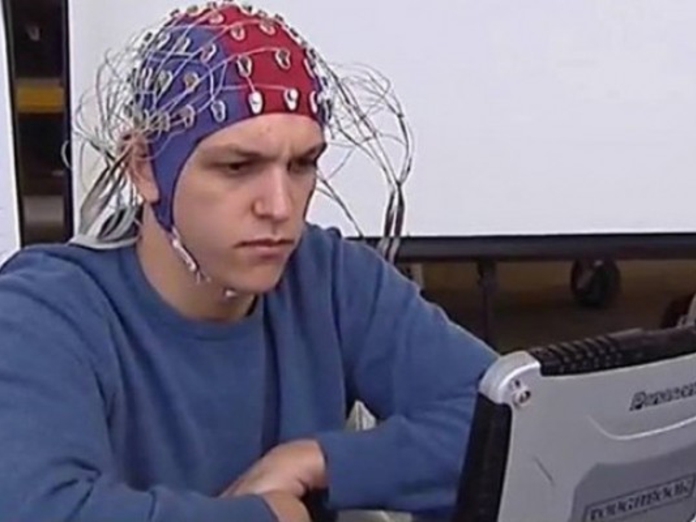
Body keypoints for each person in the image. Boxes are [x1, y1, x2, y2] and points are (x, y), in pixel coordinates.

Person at [0, 2, 497, 521]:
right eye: (238, 166)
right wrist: (267, 516)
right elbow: (35, 508)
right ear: (144, 167)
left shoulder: (329, 278)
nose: (280, 206)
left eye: (302, 164)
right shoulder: (44, 311)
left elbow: (512, 421)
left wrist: (318, 461)